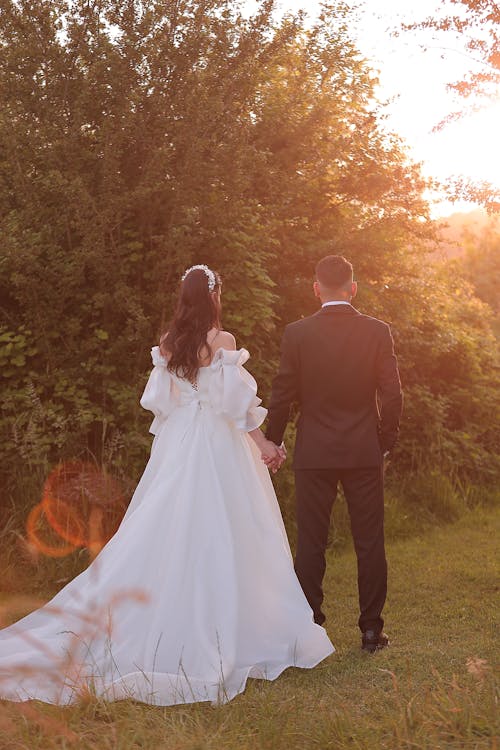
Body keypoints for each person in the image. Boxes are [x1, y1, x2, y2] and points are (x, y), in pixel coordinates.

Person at [0, 264, 333, 706]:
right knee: (233, 527)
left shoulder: (169, 344)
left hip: (180, 444)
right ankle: (230, 624)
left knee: (169, 525)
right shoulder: (222, 342)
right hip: (216, 444)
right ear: (214, 296)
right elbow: (233, 405)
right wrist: (264, 444)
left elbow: (161, 403)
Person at [265, 255, 403, 652]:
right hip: (363, 449)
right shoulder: (377, 332)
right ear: (353, 288)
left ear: (316, 288)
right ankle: (371, 630)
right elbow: (392, 392)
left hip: (314, 450)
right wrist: (385, 439)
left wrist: (274, 440)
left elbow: (283, 393)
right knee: (370, 541)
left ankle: (309, 625)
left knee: (310, 541)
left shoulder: (297, 333)